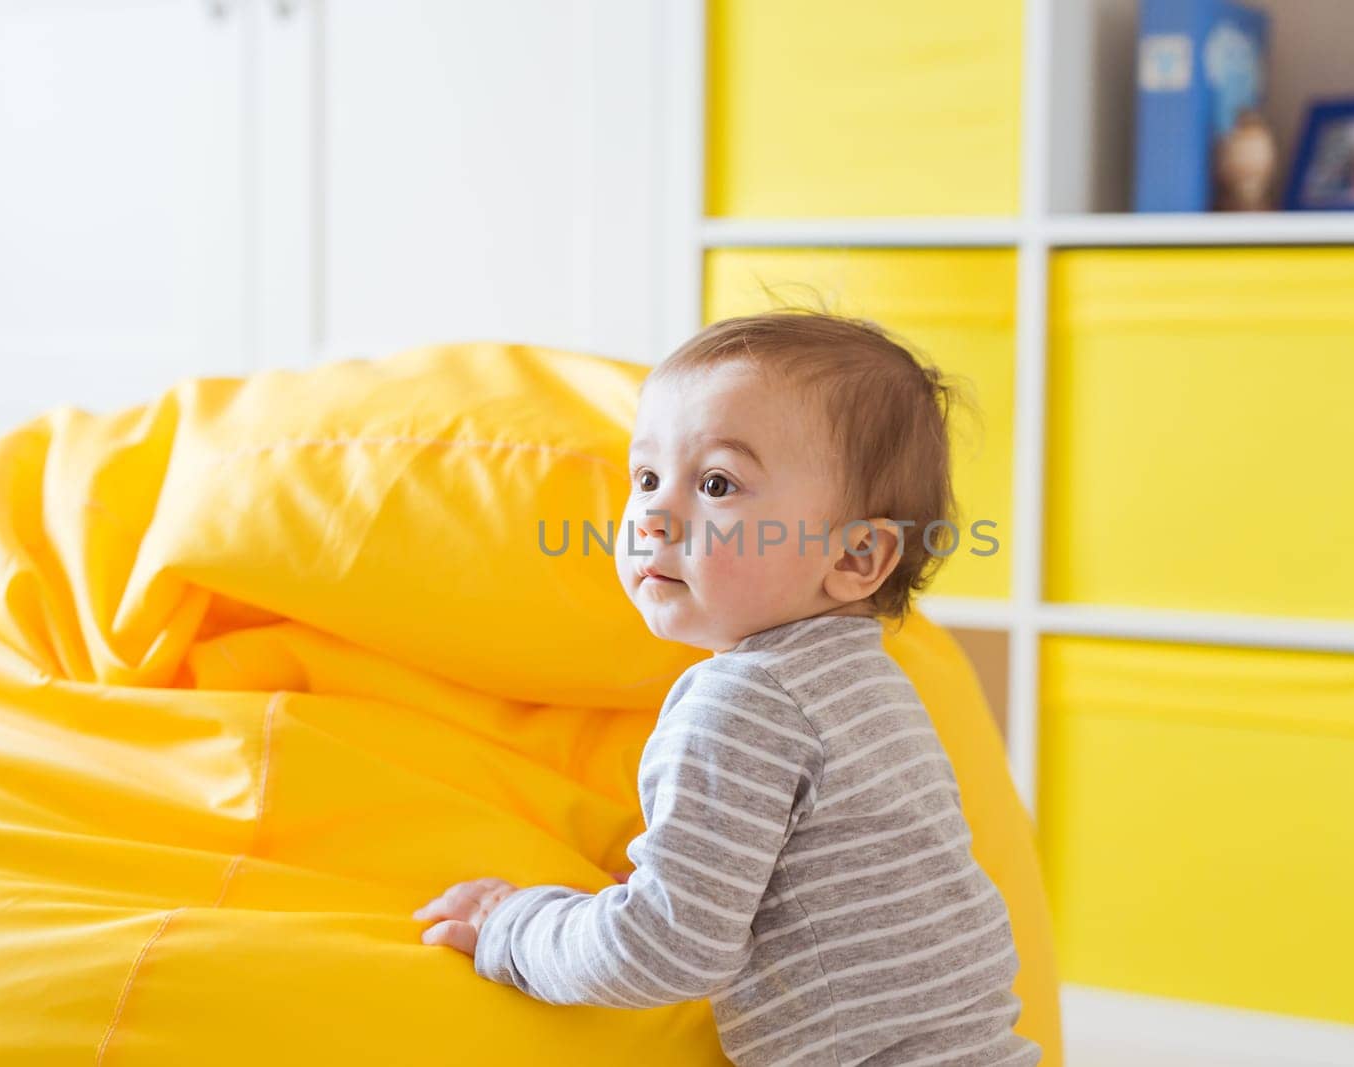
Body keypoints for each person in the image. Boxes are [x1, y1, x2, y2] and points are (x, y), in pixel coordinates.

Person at [415, 309, 1041, 1065]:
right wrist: (689, 876)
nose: (651, 514)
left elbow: (664, 953)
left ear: (857, 555)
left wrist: (510, 923)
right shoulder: (869, 679)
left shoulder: (742, 702)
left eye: (716, 482)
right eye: (646, 476)